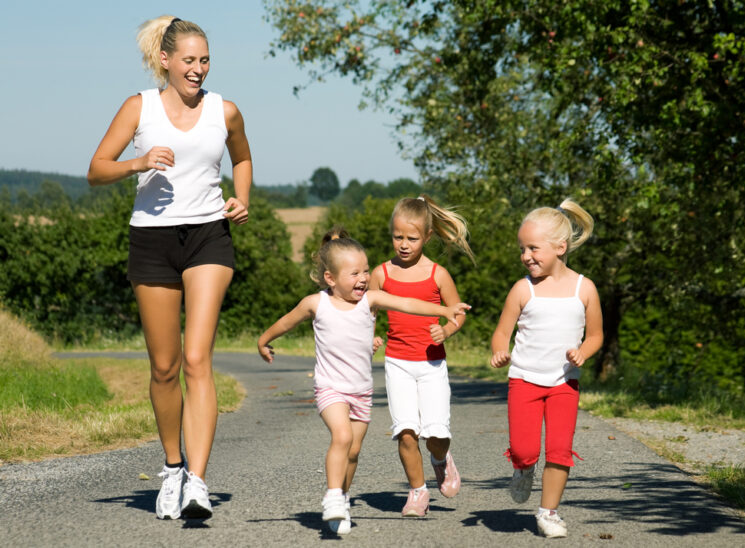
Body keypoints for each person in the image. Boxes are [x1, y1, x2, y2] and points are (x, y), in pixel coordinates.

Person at [87, 15, 252, 521]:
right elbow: (96, 170)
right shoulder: (139, 107)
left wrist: (240, 197)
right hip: (152, 240)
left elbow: (241, 159)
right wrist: (137, 163)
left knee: (198, 358)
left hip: (208, 236)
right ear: (165, 59)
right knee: (165, 367)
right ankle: (174, 468)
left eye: (204, 61)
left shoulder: (224, 111)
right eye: (189, 60)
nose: (198, 69)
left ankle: (198, 483)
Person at [257, 228, 469, 534]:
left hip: (361, 392)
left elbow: (408, 304)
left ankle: (342, 498)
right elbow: (286, 322)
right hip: (330, 388)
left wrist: (444, 310)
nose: (363, 278)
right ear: (330, 278)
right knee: (341, 437)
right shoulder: (316, 303)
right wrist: (264, 341)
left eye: (366, 271)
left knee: (353, 451)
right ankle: (332, 498)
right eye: (354, 273)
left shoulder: (371, 300)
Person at [490, 199, 603, 538]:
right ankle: (523, 469)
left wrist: (583, 352)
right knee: (526, 450)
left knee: (559, 450)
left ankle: (549, 512)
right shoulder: (523, 289)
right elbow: (501, 332)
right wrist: (499, 351)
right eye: (523, 248)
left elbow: (596, 335)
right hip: (524, 380)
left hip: (564, 384)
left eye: (534, 248)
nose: (526, 255)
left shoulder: (585, 289)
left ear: (560, 247)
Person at [369, 195, 474, 517]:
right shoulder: (381, 273)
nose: (403, 244)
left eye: (411, 238)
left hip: (431, 364)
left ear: (427, 237)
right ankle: (418, 492)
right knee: (406, 431)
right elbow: (368, 310)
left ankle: (441, 460)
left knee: (436, 435)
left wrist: (447, 330)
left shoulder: (438, 274)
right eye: (397, 237)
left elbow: (457, 313)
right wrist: (369, 334)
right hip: (397, 363)